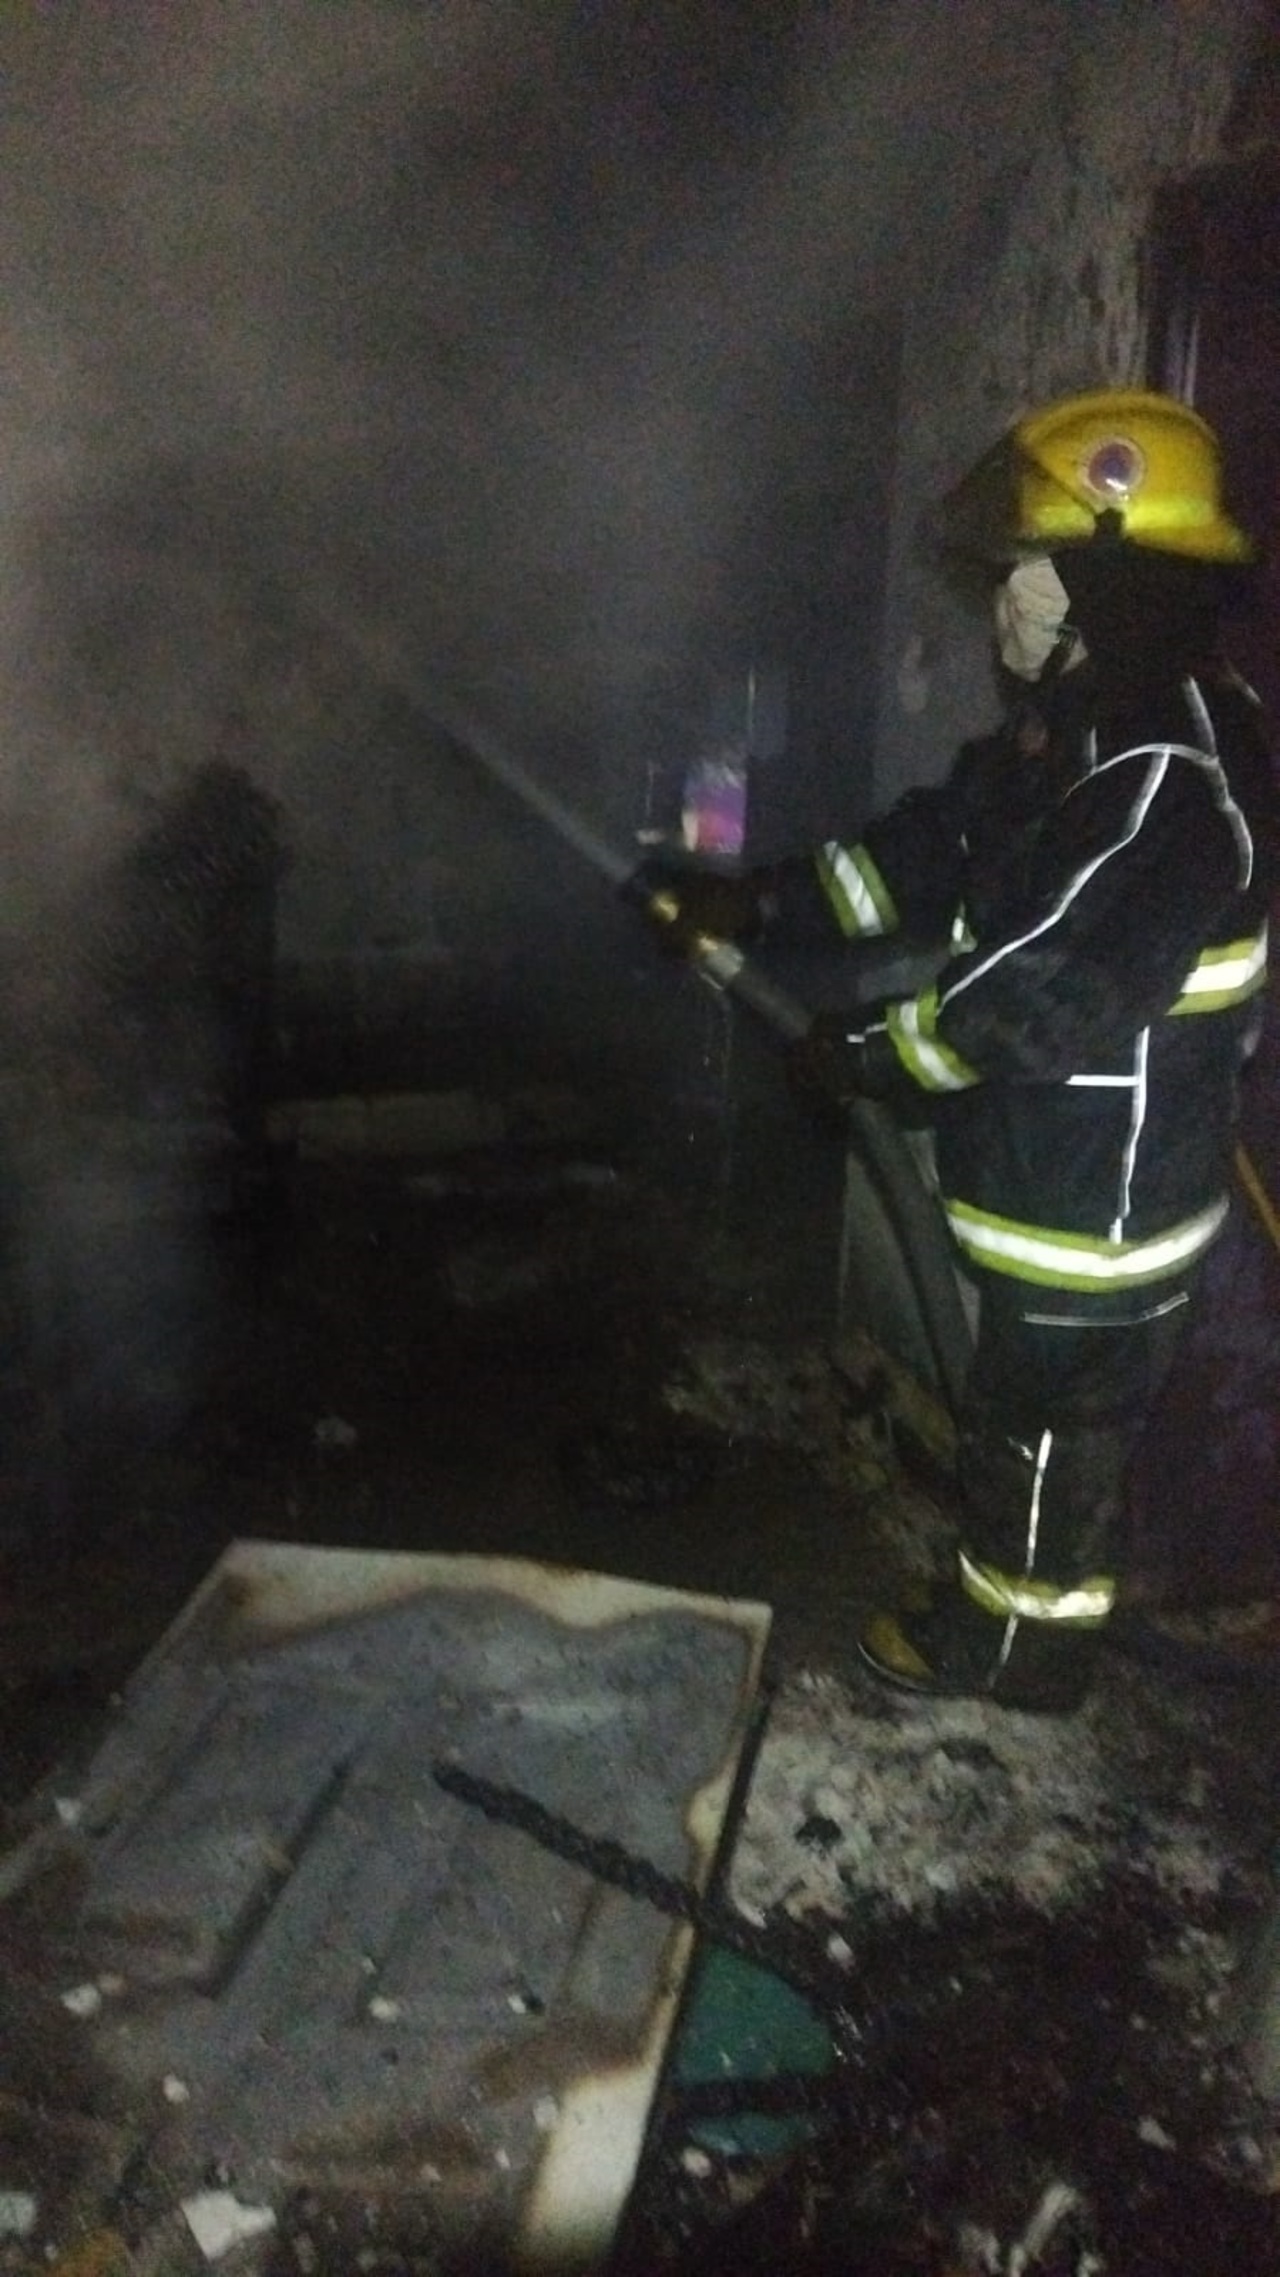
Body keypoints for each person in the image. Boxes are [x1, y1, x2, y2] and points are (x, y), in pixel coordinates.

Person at [636, 389, 1277, 1713]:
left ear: (1109, 581)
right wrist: (764, 902)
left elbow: (1037, 993)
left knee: (1042, 1440)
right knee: (1025, 1429)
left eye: (1031, 568)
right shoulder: (1085, 726)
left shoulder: (1170, 776)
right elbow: (933, 848)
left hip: (1100, 1211)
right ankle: (1023, 1618)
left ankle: (1019, 1653)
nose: (1008, 602)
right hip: (1054, 1174)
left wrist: (867, 1055)